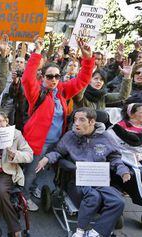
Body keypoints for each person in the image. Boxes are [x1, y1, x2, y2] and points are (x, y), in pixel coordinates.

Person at [21, 37, 95, 211]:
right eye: (50, 76)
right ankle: (23, 197)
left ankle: (31, 188)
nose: (54, 79)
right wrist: (37, 53)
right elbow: (26, 79)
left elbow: (82, 81)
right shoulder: (36, 92)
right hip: (37, 143)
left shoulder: (61, 90)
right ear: (43, 76)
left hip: (56, 142)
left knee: (43, 170)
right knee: (31, 171)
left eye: (57, 76)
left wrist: (88, 60)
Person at [36, 107, 131, 237]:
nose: (76, 123)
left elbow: (114, 157)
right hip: (78, 178)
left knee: (118, 201)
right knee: (94, 197)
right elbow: (58, 152)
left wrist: (123, 170)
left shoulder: (105, 137)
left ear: (92, 122)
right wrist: (47, 158)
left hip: (99, 178)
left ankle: (95, 232)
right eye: (75, 119)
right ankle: (80, 231)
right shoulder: (70, 136)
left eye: (81, 120)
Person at [107, 102, 142, 206]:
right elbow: (111, 148)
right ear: (131, 114)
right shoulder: (116, 129)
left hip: (141, 159)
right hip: (122, 160)